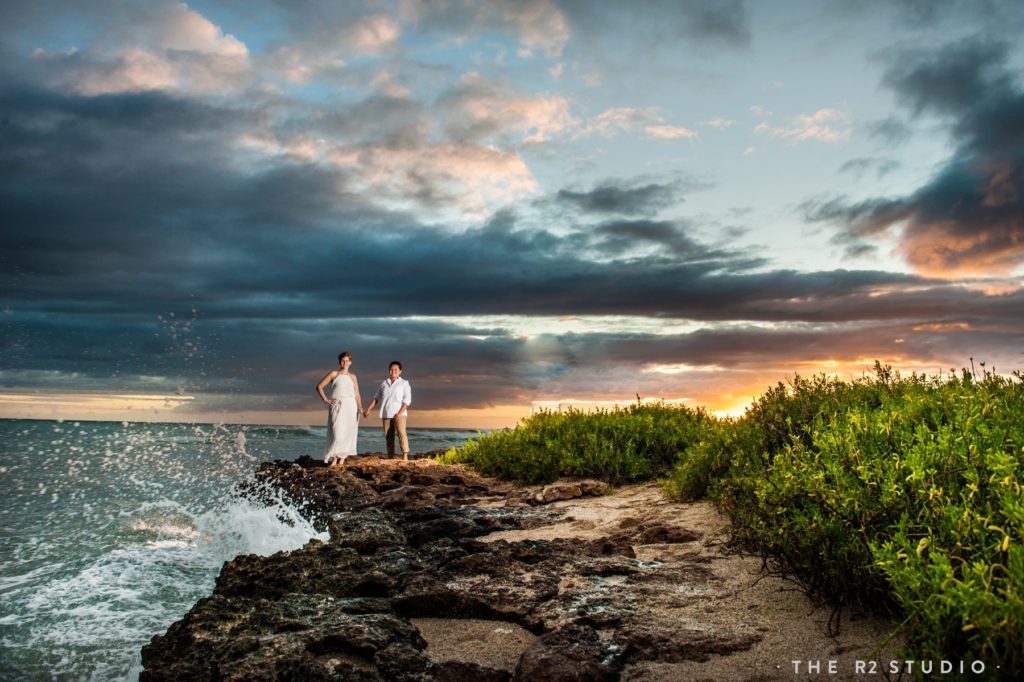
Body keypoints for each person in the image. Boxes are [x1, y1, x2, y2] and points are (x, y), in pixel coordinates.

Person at [316, 351, 362, 468]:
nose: (345, 363)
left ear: (350, 362)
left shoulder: (353, 377)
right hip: (337, 406)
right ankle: (334, 458)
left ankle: (341, 459)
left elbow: (357, 394)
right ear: (339, 362)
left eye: (347, 361)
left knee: (348, 432)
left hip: (351, 406)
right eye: (343, 360)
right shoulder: (334, 374)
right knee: (337, 432)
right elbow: (319, 386)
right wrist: (326, 399)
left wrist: (360, 408)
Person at [363, 360, 412, 460]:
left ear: (400, 371)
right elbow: (377, 398)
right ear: (389, 371)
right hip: (386, 414)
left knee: (401, 434)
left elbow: (407, 400)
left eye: (396, 369)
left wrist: (399, 413)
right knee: (389, 438)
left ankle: (405, 456)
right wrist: (368, 409)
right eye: (391, 369)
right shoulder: (384, 383)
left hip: (399, 414)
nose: (393, 371)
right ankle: (390, 457)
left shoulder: (404, 383)